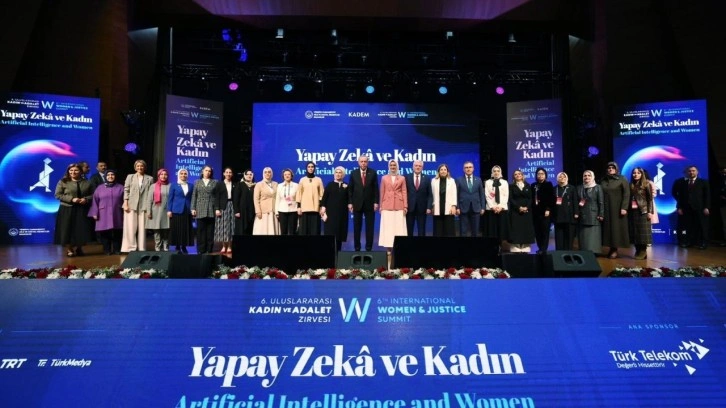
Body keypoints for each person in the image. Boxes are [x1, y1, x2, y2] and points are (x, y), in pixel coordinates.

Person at [54, 163, 94, 257]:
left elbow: (94, 194)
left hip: (82, 209)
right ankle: (69, 249)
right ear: (68, 171)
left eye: (76, 170)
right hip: (67, 208)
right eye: (71, 170)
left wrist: (86, 199)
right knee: (67, 229)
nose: (73, 172)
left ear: (80, 171)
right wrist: (72, 199)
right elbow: (58, 195)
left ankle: (79, 248)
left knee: (80, 229)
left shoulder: (87, 182)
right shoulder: (63, 182)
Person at [88, 168, 124, 255]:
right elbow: (95, 201)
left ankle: (117, 249)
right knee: (104, 232)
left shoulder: (121, 187)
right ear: (105, 177)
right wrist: (94, 213)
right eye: (108, 175)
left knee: (117, 232)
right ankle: (107, 250)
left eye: (112, 175)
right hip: (103, 213)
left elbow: (125, 200)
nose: (110, 176)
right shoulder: (99, 188)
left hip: (117, 212)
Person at [674, 165, 711, 249]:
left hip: (700, 208)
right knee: (688, 226)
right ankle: (689, 242)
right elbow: (680, 197)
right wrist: (679, 207)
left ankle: (703, 243)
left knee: (702, 226)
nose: (691, 172)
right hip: (686, 208)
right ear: (687, 172)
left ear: (697, 172)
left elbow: (707, 196)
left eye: (693, 171)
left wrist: (706, 207)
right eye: (690, 171)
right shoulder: (683, 183)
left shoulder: (703, 182)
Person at [121, 159, 153, 252]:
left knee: (142, 229)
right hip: (131, 205)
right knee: (130, 227)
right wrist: (125, 203)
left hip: (144, 206)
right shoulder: (130, 177)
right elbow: (126, 190)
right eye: (138, 166)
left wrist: (149, 208)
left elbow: (151, 193)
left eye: (141, 166)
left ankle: (142, 248)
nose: (140, 167)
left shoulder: (150, 178)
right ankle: (130, 248)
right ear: (135, 167)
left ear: (144, 167)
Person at [348, 155, 379, 251]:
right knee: (357, 227)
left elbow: (376, 189)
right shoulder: (353, 173)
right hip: (357, 204)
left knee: (370, 227)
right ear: (358, 162)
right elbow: (350, 189)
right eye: (361, 161)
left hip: (370, 204)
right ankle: (357, 247)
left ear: (367, 162)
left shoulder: (373, 173)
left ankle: (369, 247)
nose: (363, 163)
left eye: (365, 161)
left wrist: (376, 202)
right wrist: (350, 203)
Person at [600, 161, 630, 258]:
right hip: (606, 208)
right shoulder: (603, 180)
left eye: (613, 168)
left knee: (616, 229)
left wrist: (624, 207)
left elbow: (626, 194)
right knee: (607, 229)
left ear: (616, 169)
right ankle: (610, 248)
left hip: (617, 208)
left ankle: (615, 249)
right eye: (609, 168)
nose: (610, 169)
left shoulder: (622, 179)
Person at [378, 159, 408, 252]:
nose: (392, 167)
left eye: (394, 165)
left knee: (399, 228)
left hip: (399, 205)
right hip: (387, 205)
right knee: (388, 228)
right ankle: (388, 248)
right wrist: (381, 206)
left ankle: (399, 247)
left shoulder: (402, 178)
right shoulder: (384, 178)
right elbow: (382, 192)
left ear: (397, 166)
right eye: (391, 165)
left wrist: (405, 206)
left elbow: (404, 192)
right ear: (389, 167)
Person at [321, 167, 350, 251]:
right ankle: (329, 253)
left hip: (342, 214)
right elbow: (324, 198)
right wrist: (323, 207)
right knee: (330, 233)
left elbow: (349, 198)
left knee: (339, 234)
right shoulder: (330, 185)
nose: (338, 174)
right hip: (331, 213)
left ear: (343, 174)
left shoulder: (346, 186)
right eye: (336, 172)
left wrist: (350, 204)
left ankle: (338, 253)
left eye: (340, 172)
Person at [575, 170, 604, 253]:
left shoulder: (598, 187)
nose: (587, 177)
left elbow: (601, 202)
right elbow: (577, 202)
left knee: (593, 235)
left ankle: (594, 251)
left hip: (594, 215)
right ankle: (584, 251)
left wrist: (601, 214)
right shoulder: (579, 188)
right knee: (583, 235)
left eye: (589, 175)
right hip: (582, 214)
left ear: (593, 177)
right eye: (585, 175)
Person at [191, 166, 218, 254]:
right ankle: (201, 249)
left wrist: (217, 208)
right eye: (206, 170)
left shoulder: (215, 182)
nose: (208, 172)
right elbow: (194, 195)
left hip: (211, 208)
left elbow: (217, 197)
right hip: (200, 208)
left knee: (210, 231)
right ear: (202, 171)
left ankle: (209, 249)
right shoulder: (197, 182)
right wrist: (193, 208)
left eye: (209, 171)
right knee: (200, 231)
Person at [629, 167, 653, 259]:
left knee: (643, 232)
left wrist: (650, 212)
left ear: (642, 174)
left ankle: (643, 250)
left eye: (638, 173)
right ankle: (638, 249)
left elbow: (650, 199)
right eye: (634, 173)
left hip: (643, 211)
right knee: (635, 232)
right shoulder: (630, 185)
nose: (636, 174)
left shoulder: (647, 184)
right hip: (633, 211)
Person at [167, 168, 194, 254]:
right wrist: (169, 210)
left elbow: (193, 198)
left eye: (185, 174)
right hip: (176, 210)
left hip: (187, 210)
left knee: (185, 229)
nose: (183, 175)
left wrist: (193, 209)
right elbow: (170, 198)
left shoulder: (191, 185)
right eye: (181, 173)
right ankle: (177, 246)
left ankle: (184, 246)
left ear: (187, 175)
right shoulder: (174, 185)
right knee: (177, 229)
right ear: (178, 175)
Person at [508, 170, 535, 252]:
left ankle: (525, 246)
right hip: (515, 211)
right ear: (514, 177)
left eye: (519, 174)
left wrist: (527, 207)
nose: (518, 175)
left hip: (527, 211)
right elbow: (511, 199)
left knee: (526, 228)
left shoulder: (528, 185)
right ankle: (515, 246)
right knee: (516, 228)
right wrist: (518, 207)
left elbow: (531, 198)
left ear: (522, 175)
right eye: (515, 174)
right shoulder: (511, 186)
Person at [456, 161, 485, 237]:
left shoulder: (478, 180)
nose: (468, 169)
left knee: (475, 232)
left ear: (473, 168)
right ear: (463, 169)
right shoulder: (459, 180)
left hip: (476, 208)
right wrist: (457, 207)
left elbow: (481, 194)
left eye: (470, 167)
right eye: (466, 167)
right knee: (463, 231)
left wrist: (483, 207)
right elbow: (456, 195)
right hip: (463, 208)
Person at [296, 161, 324, 235]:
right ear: (306, 168)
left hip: (315, 208)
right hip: (304, 208)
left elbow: (321, 193)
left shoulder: (318, 180)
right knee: (304, 230)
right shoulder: (302, 180)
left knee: (315, 230)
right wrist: (298, 206)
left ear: (314, 168)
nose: (310, 168)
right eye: (309, 167)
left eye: (312, 167)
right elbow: (299, 193)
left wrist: (321, 206)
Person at [482, 165, 509, 243]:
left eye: (498, 171)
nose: (496, 173)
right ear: (492, 172)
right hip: (491, 209)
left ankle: (500, 246)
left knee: (501, 230)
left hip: (502, 209)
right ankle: (493, 245)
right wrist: (492, 207)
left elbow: (506, 195)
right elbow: (487, 195)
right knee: (492, 230)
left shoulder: (504, 182)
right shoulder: (488, 182)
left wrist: (500, 207)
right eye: (494, 171)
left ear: (500, 172)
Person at [531, 167, 555, 254]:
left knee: (545, 231)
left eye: (542, 174)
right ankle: (540, 247)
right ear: (536, 175)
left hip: (545, 212)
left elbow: (552, 198)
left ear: (545, 175)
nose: (540, 175)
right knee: (537, 231)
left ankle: (544, 249)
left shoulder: (549, 184)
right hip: (535, 212)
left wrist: (548, 209)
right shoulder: (533, 185)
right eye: (539, 174)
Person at [429, 163, 457, 237]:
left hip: (449, 207)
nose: (443, 171)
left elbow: (454, 193)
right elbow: (431, 194)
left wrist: (454, 206)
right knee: (438, 230)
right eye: (441, 170)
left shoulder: (452, 180)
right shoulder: (433, 180)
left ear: (447, 171)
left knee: (449, 229)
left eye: (445, 170)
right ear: (438, 171)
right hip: (437, 207)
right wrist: (432, 205)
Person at [404, 160, 430, 236]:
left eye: (419, 166)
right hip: (409, 207)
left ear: (422, 167)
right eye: (416, 165)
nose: (418, 167)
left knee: (421, 230)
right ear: (413, 167)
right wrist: (404, 206)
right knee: (409, 229)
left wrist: (428, 207)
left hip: (422, 208)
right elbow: (404, 192)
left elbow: (430, 194)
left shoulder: (427, 178)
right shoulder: (406, 177)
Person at [214, 167, 237, 253]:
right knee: (223, 227)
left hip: (232, 206)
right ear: (224, 174)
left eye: (230, 172)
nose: (228, 174)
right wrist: (217, 209)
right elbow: (217, 197)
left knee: (231, 226)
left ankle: (230, 246)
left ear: (232, 174)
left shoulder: (235, 184)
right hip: (222, 207)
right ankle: (224, 246)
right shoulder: (219, 184)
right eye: (227, 172)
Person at [552, 172, 577, 250]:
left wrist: (576, 212)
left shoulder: (572, 188)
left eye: (564, 177)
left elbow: (575, 201)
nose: (562, 178)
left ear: (567, 178)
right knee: (559, 236)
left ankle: (568, 252)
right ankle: (559, 253)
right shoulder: (554, 188)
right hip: (558, 216)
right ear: (557, 179)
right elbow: (551, 202)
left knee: (569, 236)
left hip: (569, 215)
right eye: (560, 177)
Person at [147, 168, 171, 251]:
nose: (163, 176)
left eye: (165, 174)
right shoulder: (153, 186)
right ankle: (157, 246)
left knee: (166, 229)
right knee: (156, 229)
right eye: (162, 174)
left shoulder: (170, 186)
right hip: (156, 211)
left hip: (166, 210)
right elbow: (149, 200)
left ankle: (166, 246)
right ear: (158, 176)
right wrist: (149, 211)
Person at [253, 167, 280, 235]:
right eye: (265, 172)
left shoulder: (276, 184)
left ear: (272, 174)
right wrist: (258, 211)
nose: (267, 174)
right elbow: (256, 199)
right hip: (263, 212)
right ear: (263, 174)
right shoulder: (259, 184)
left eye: (269, 172)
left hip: (274, 211)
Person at [275, 168, 299, 236]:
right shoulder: (279, 186)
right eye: (285, 174)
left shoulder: (296, 185)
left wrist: (298, 208)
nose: (287, 176)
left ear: (291, 176)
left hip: (293, 210)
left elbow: (298, 199)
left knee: (293, 231)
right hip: (282, 211)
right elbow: (277, 199)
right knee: (283, 231)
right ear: (283, 176)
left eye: (289, 174)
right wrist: (276, 212)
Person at [233, 169, 256, 236]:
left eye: (250, 174)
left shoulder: (255, 185)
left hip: (252, 210)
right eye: (247, 174)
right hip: (242, 211)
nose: (249, 176)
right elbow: (236, 198)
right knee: (242, 229)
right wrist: (236, 211)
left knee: (251, 228)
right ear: (244, 176)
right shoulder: (240, 184)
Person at [720, 167, 726, 246]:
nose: (724, 174)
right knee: (725, 224)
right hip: (723, 205)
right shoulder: (720, 181)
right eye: (723, 172)